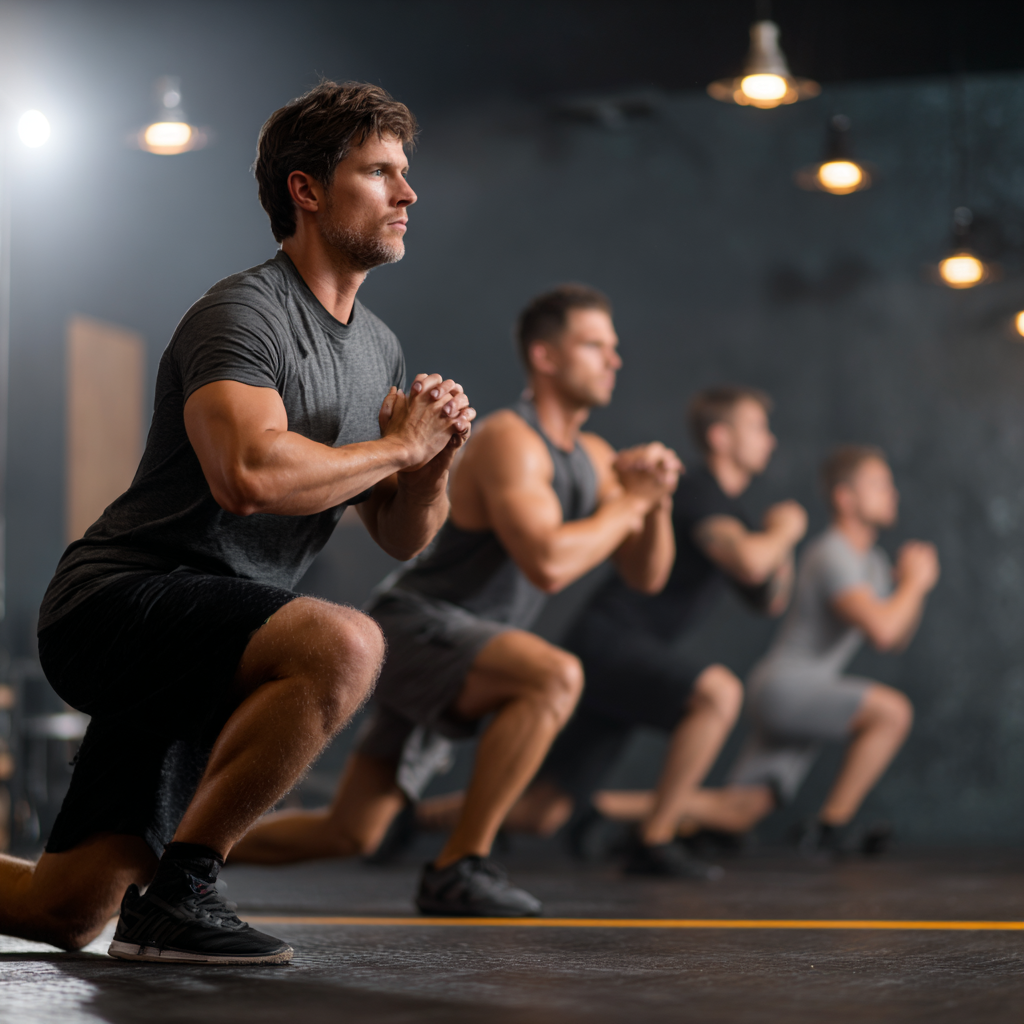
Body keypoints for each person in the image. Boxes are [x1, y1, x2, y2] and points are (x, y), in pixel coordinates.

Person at [0, 81, 476, 963]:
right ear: (306, 190)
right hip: (122, 601)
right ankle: (180, 892)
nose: (407, 194)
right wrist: (399, 449)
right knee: (346, 644)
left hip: (221, 634)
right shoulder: (244, 314)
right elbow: (249, 475)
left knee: (61, 911)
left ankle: (148, 901)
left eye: (404, 174)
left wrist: (430, 461)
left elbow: (402, 534)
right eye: (379, 172)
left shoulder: (377, 346)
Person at [230, 284, 682, 916]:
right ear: (546, 357)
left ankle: (175, 852)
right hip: (421, 625)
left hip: (470, 643)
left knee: (352, 831)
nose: (614, 359)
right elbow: (549, 562)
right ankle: (459, 866)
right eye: (594, 345)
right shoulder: (510, 442)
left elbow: (645, 576)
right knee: (553, 678)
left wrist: (652, 499)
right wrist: (630, 505)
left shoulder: (597, 459)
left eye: (613, 347)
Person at [412, 385, 806, 877]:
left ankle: (413, 820)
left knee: (544, 812)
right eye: (758, 428)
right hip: (610, 643)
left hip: (629, 657)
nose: (769, 440)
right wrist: (787, 531)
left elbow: (769, 599)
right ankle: (653, 839)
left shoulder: (733, 511)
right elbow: (749, 563)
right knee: (717, 695)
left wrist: (779, 541)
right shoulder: (698, 491)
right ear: (721, 437)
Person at [692, 445, 938, 854]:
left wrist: (914, 589)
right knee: (892, 714)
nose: (891, 493)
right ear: (844, 498)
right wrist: (915, 584)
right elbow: (881, 629)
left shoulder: (873, 563)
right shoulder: (831, 554)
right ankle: (832, 827)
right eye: (878, 485)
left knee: (743, 809)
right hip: (786, 689)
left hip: (800, 691)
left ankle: (609, 813)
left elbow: (897, 638)